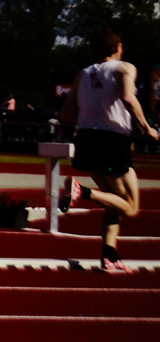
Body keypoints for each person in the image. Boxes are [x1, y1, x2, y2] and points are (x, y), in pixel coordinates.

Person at [58, 29, 156, 275]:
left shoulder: (83, 74)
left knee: (114, 203)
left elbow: (65, 114)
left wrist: (89, 115)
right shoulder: (125, 68)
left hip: (87, 138)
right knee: (130, 206)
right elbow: (127, 97)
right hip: (112, 139)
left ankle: (109, 255)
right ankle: (84, 191)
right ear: (119, 47)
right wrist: (146, 128)